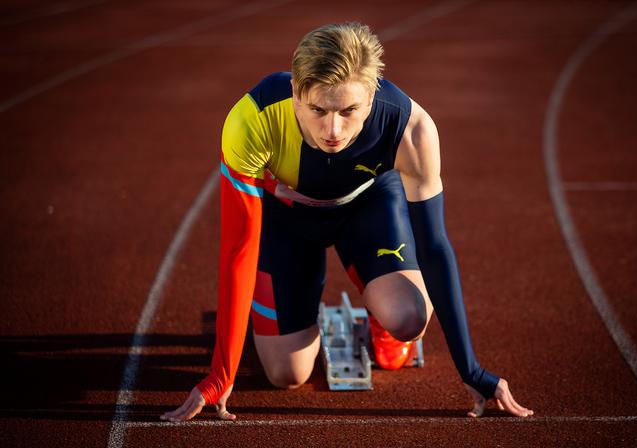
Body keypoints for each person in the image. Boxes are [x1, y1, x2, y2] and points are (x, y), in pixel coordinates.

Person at [161, 22, 533, 422]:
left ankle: (379, 315)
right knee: (286, 374)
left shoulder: (412, 128)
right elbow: (239, 250)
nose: (333, 130)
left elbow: (435, 247)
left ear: (372, 96)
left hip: (365, 209)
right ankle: (288, 313)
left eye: (349, 111)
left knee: (408, 319)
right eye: (318, 110)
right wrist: (222, 373)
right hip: (286, 221)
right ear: (294, 93)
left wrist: (471, 370)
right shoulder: (252, 122)